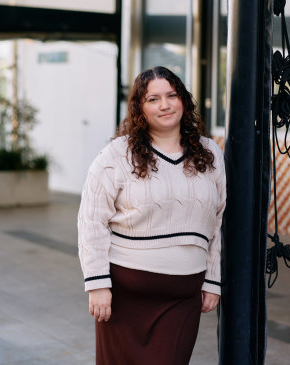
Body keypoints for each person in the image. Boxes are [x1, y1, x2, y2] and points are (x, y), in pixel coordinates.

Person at [77, 66, 226, 365]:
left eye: (172, 95)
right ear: (139, 108)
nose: (165, 105)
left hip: (182, 298)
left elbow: (219, 222)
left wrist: (213, 280)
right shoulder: (117, 155)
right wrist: (97, 285)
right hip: (124, 297)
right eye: (153, 99)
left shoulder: (210, 153)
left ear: (183, 100)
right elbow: (91, 221)